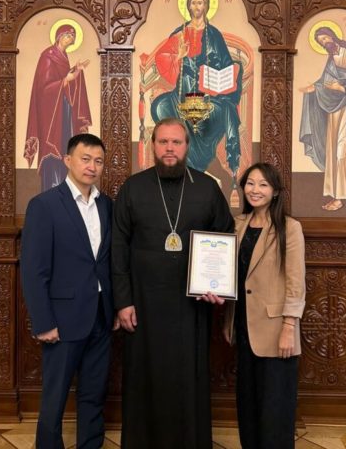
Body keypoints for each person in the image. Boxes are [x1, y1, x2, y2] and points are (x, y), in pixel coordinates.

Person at [112, 117, 234, 449]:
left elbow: (225, 237)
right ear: (152, 146)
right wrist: (123, 301)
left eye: (176, 142)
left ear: (186, 147)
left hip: (191, 308)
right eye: (163, 142)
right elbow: (118, 247)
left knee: (187, 378)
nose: (169, 148)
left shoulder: (207, 188)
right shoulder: (133, 188)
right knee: (145, 377)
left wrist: (219, 286)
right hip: (143, 306)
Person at [21, 133, 113, 449]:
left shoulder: (107, 205)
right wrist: (43, 322)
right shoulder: (44, 205)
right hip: (62, 319)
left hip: (101, 315)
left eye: (98, 161)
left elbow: (107, 262)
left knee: (94, 393)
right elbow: (34, 270)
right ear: (68, 160)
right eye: (85, 159)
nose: (92, 166)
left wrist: (115, 307)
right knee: (55, 396)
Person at [223, 163, 305, 449]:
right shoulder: (238, 224)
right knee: (248, 403)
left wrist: (289, 327)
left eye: (263, 184)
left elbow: (295, 281)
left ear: (275, 191)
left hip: (276, 329)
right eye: (250, 183)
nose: (255, 190)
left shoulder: (289, 228)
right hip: (243, 326)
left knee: (275, 407)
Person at [150, 0, 242, 174]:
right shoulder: (180, 33)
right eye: (194, 3)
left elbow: (226, 63)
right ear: (188, 6)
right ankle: (188, 159)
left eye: (200, 3)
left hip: (208, 92)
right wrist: (179, 57)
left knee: (225, 110)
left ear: (207, 6)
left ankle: (199, 160)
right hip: (183, 91)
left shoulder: (214, 34)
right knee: (160, 107)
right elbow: (163, 57)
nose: (197, 6)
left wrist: (228, 72)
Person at [299, 26, 346, 211]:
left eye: (325, 38)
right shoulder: (331, 58)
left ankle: (342, 196)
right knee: (333, 152)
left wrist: (342, 88)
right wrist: (313, 89)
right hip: (335, 112)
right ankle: (336, 195)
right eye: (321, 42)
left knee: (342, 152)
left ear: (332, 35)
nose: (324, 43)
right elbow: (325, 82)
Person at [24, 23, 92, 191]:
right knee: (53, 151)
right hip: (50, 116)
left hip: (64, 111)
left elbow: (64, 80)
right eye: (68, 36)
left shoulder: (63, 56)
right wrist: (66, 80)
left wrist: (76, 71)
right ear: (60, 36)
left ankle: (64, 188)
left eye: (72, 38)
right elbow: (44, 88)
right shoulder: (48, 56)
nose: (70, 40)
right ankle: (51, 189)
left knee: (65, 148)